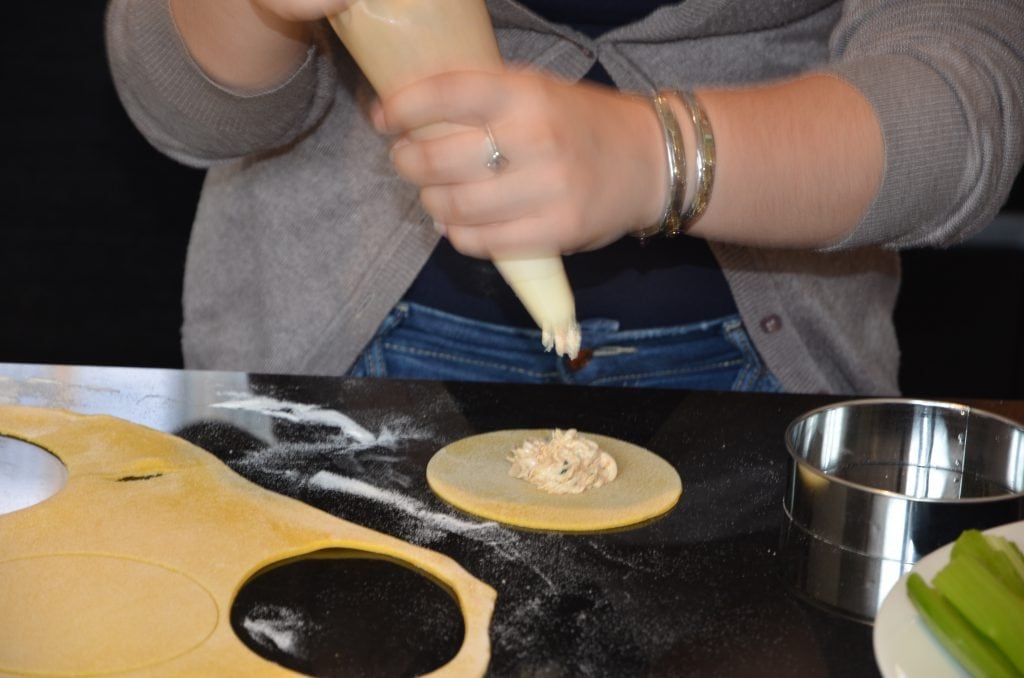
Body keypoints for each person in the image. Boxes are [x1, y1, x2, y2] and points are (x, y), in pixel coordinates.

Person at [105, 0, 1024, 395]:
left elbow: (967, 108)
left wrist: (652, 156)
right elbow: (180, 110)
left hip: (769, 387)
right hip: (319, 359)